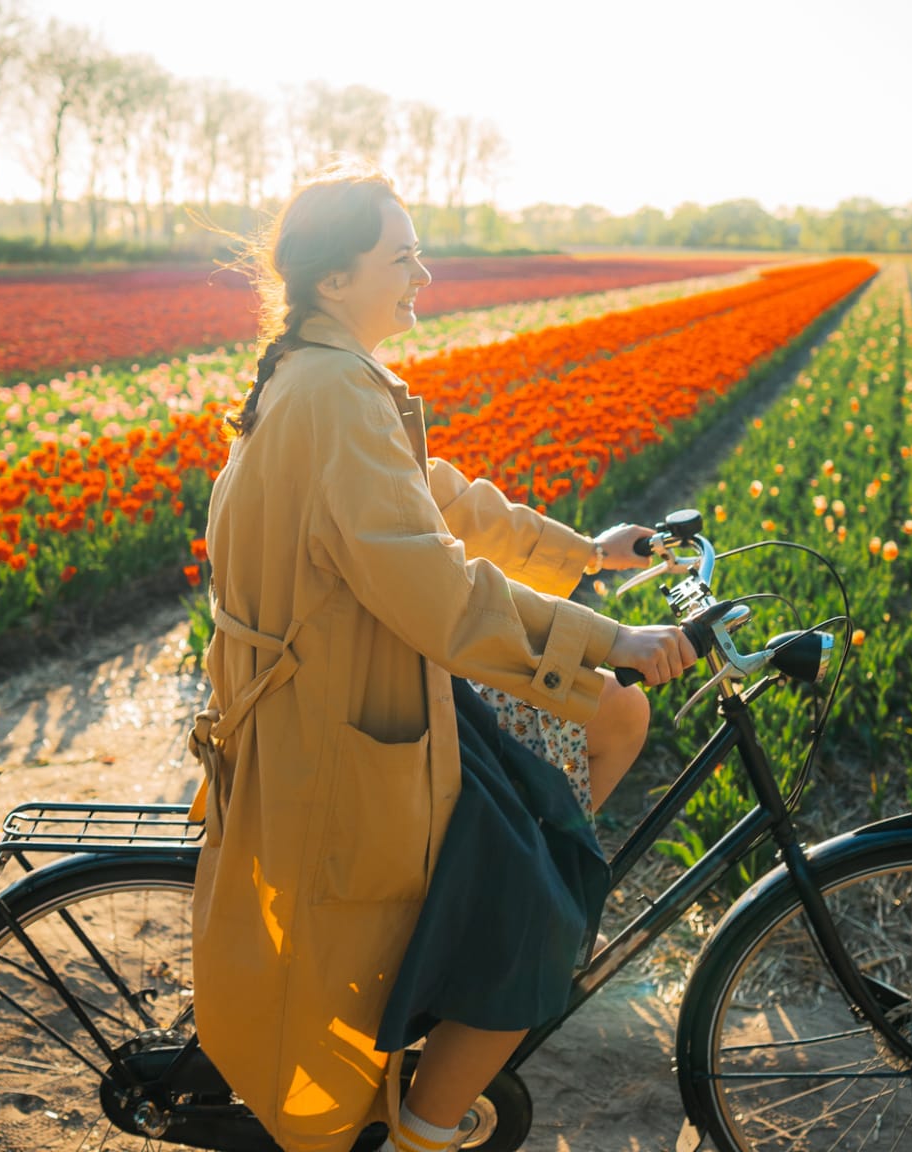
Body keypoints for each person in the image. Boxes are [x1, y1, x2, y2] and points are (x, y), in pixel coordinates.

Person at [184, 158, 698, 1152]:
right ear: (336, 280)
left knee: (609, 721)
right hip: (345, 717)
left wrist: (585, 556)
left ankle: (451, 996)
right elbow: (438, 591)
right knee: (540, 927)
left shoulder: (325, 372)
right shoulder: (334, 392)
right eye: (402, 258)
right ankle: (423, 1131)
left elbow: (444, 503)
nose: (422, 277)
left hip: (370, 687)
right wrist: (613, 637)